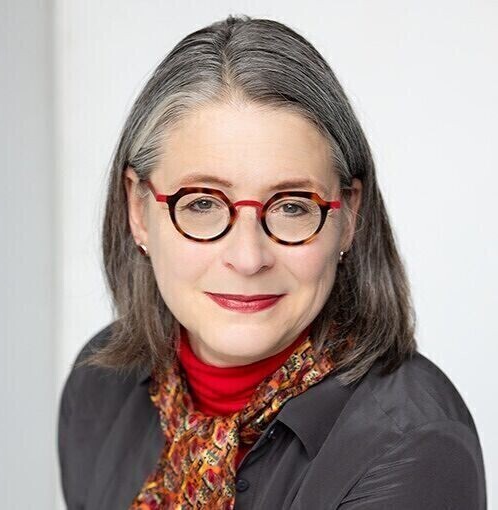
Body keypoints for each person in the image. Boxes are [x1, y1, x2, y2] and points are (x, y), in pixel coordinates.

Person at [57, 14, 487, 510]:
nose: (248, 258)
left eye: (292, 206)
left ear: (348, 216)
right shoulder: (99, 386)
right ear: (138, 210)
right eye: (202, 203)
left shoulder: (412, 448)